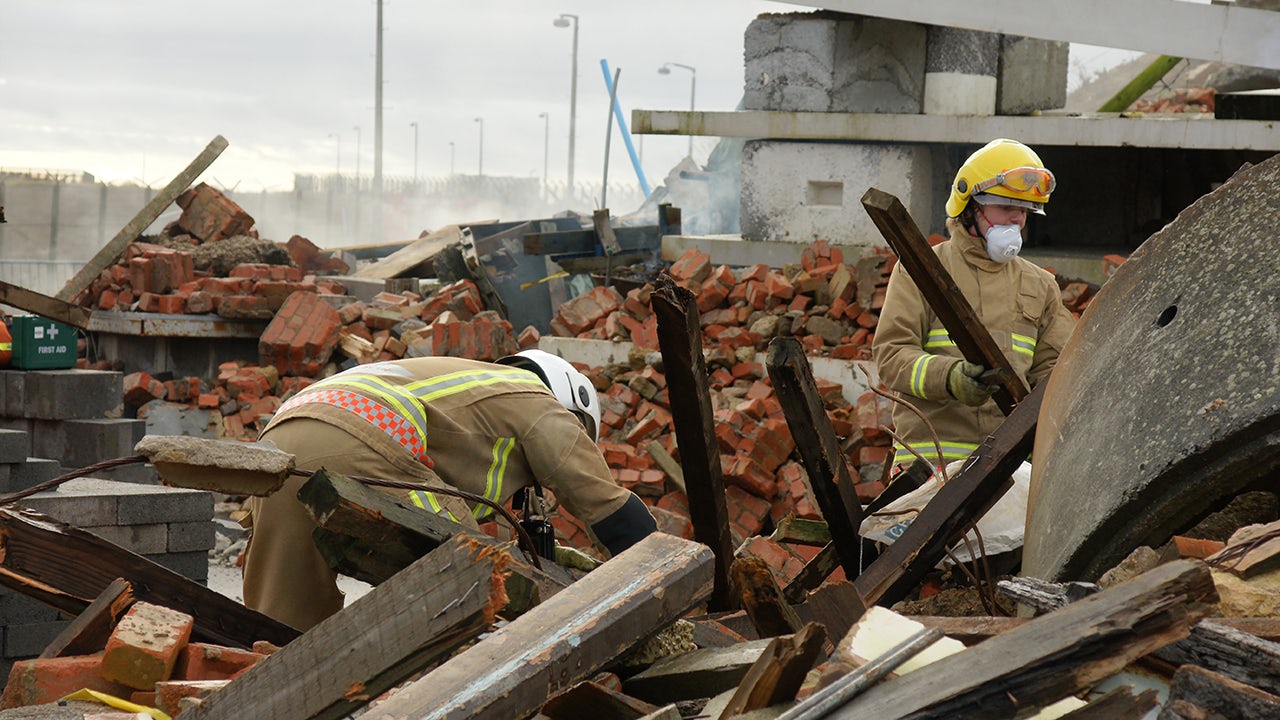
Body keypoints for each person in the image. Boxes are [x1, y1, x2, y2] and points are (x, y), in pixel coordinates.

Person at [242, 349, 658, 630]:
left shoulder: (461, 385)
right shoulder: (535, 397)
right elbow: (607, 506)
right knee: (475, 592)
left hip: (283, 436)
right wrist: (663, 572)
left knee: (280, 626)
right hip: (367, 431)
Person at [872, 138, 1076, 470]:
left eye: (1023, 211)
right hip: (929, 467)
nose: (1017, 220)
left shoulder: (1040, 285)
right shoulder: (922, 269)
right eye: (1005, 207)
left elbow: (1056, 378)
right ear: (970, 207)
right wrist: (949, 378)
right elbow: (891, 355)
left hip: (1008, 471)